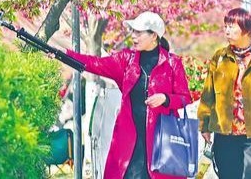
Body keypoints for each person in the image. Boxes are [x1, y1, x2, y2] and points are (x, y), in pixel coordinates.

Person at [64, 11, 191, 179]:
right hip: (129, 141)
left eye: (138, 32)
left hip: (161, 142)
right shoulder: (126, 60)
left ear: (154, 35)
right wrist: (63, 55)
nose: (133, 36)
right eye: (133, 31)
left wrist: (165, 99)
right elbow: (95, 64)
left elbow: (185, 97)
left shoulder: (173, 63)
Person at [197, 8, 251, 179]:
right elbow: (208, 94)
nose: (227, 30)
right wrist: (205, 124)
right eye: (226, 26)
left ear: (246, 29)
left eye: (232, 26)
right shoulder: (220, 57)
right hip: (225, 133)